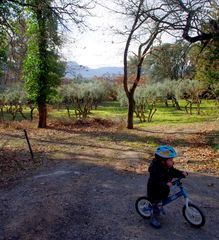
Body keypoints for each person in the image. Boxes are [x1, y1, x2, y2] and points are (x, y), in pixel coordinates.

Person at [147, 145, 188, 229]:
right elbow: (155, 180)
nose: (172, 162)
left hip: (163, 190)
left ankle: (159, 205)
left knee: (163, 199)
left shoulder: (167, 166)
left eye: (172, 159)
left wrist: (181, 173)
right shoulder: (154, 168)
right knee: (156, 204)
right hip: (154, 191)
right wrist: (165, 183)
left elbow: (173, 171)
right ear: (163, 161)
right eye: (170, 160)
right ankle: (153, 218)